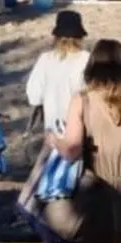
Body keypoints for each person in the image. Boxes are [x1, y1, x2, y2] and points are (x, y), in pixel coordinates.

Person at [41, 39, 121, 243]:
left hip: (89, 200)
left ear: (93, 68)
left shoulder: (82, 102)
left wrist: (55, 140)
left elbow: (73, 149)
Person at [26, 10, 90, 143]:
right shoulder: (86, 59)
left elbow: (34, 96)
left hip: (52, 131)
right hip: (79, 129)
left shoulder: (45, 59)